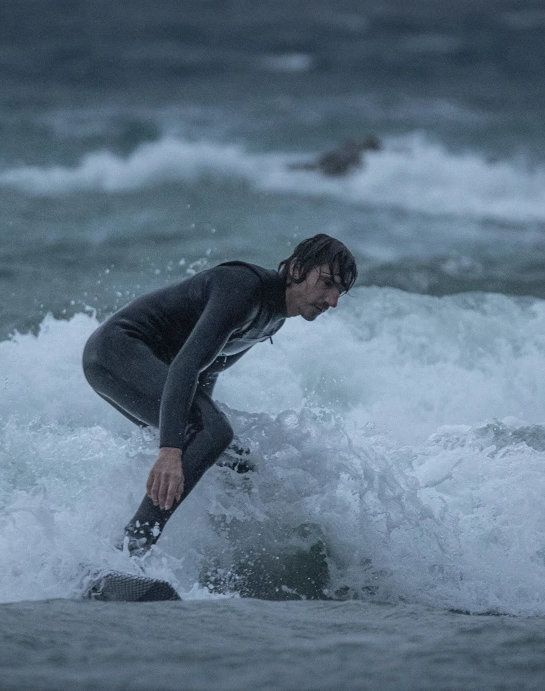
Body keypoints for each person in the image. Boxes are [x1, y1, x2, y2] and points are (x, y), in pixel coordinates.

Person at [82, 234, 357, 554]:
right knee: (213, 431)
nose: (333, 300)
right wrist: (172, 448)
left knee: (237, 462)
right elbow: (187, 364)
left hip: (144, 366)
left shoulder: (273, 320)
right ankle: (131, 549)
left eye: (340, 291)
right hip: (116, 350)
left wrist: (194, 429)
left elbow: (208, 369)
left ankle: (217, 558)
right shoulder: (243, 289)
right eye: (327, 283)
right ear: (296, 269)